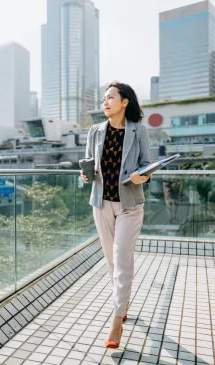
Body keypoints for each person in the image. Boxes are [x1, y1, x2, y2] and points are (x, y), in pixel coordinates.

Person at [81, 81, 151, 348]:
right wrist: (86, 175)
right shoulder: (95, 131)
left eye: (111, 97)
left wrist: (142, 175)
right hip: (101, 203)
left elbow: (147, 163)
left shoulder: (138, 131)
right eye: (104, 99)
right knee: (112, 262)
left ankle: (116, 322)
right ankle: (124, 303)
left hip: (129, 205)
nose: (105, 102)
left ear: (125, 102)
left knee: (122, 261)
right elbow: (90, 163)